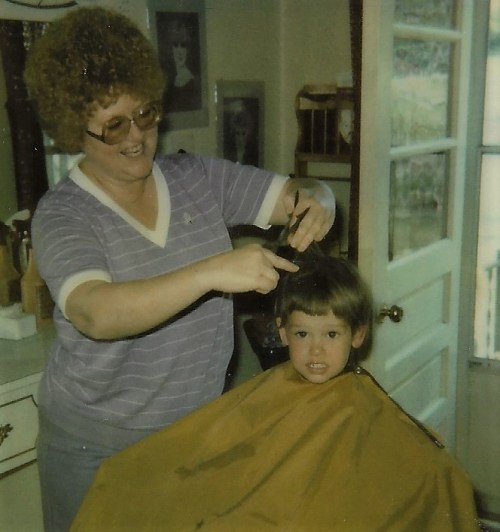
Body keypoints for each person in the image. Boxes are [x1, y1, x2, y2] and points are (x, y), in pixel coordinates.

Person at [23, 7, 335, 531]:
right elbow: (95, 312)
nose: (136, 136)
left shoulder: (196, 178)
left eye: (144, 114)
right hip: (96, 448)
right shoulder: (63, 214)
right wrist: (209, 272)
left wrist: (319, 199)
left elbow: (298, 193)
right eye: (113, 124)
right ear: (75, 128)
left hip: (195, 433)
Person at [70, 254, 479, 531]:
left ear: (357, 335)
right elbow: (215, 453)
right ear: (282, 332)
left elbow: (430, 478)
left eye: (331, 335)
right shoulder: (271, 390)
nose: (315, 351)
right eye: (302, 334)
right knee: (123, 483)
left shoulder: (364, 405)